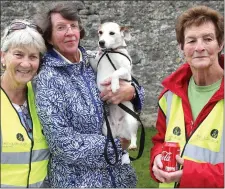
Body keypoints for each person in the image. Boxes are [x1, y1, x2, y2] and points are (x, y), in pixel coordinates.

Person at [33, 2, 145, 188]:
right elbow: (64, 145)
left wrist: (132, 91)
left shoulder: (96, 58)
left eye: (74, 26)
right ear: (50, 38)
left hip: (120, 179)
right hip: (78, 182)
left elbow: (134, 84)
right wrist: (118, 145)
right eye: (61, 28)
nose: (70, 32)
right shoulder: (47, 79)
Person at [150, 5, 224, 188]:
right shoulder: (169, 96)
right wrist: (157, 159)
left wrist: (188, 174)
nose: (199, 48)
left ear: (220, 44)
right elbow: (159, 141)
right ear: (182, 47)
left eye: (207, 39)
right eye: (191, 41)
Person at [1, 19, 49, 187]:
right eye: (18, 54)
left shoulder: (43, 95)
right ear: (2, 56)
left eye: (33, 56)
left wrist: (133, 92)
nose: (26, 63)